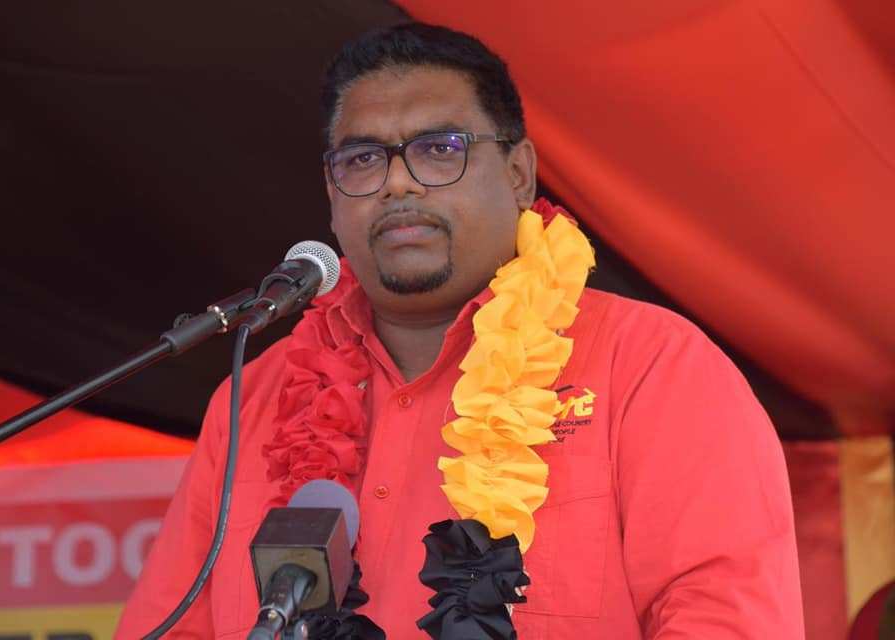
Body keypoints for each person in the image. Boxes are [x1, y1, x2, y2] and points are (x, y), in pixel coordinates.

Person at [117, 23, 804, 639]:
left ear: (519, 174)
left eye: (439, 148)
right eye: (362, 159)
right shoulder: (253, 402)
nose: (398, 184)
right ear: (331, 195)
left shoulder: (653, 367)